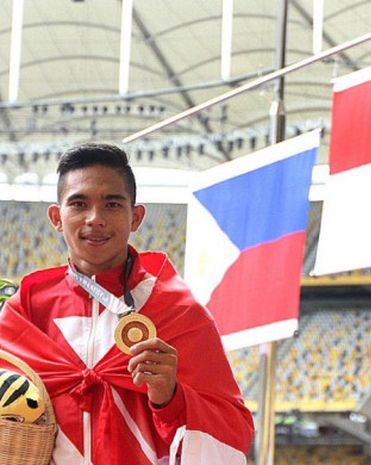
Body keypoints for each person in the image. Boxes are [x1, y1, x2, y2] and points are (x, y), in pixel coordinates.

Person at [0, 143, 254, 465]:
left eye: (112, 205)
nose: (95, 219)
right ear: (56, 217)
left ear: (136, 217)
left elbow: (233, 430)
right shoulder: (28, 309)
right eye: (79, 204)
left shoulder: (178, 312)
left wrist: (172, 398)